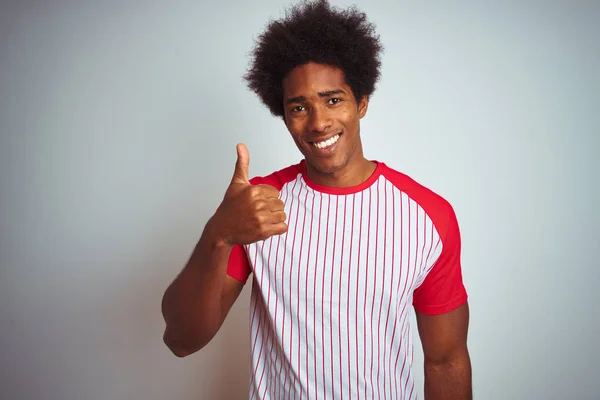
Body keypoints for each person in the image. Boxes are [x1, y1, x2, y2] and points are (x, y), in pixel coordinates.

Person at [161, 0, 472, 398]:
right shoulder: (257, 206)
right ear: (284, 116)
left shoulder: (428, 215)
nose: (318, 121)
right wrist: (217, 235)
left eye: (333, 100)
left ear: (360, 102)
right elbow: (181, 340)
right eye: (299, 107)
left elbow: (446, 360)